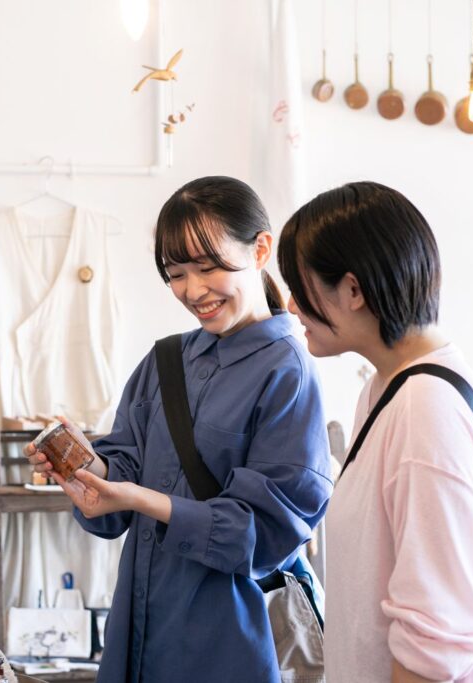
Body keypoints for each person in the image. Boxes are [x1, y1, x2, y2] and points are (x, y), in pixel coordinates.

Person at [25, 176, 333, 682]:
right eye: (176, 274)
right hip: (138, 633)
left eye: (208, 267)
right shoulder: (165, 360)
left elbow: (263, 535)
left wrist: (143, 499)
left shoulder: (288, 373)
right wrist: (89, 468)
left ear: (260, 249)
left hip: (229, 641)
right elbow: (120, 483)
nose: (193, 290)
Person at [277, 181, 473, 682]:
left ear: (352, 290)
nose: (292, 305)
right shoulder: (389, 387)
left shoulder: (425, 405)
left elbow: (439, 640)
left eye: (301, 287)